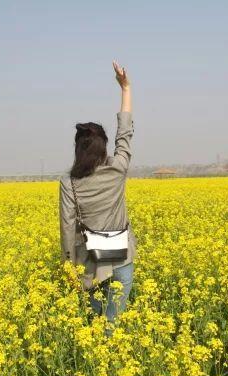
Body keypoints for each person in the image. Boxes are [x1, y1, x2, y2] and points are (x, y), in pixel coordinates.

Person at [58, 60, 137, 334]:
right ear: (104, 148)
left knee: (93, 319)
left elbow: (67, 227)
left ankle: (95, 351)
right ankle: (110, 353)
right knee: (113, 322)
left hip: (91, 261)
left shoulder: (69, 182)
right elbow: (125, 134)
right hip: (121, 257)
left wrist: (69, 266)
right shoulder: (117, 169)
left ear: (78, 150)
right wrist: (125, 87)